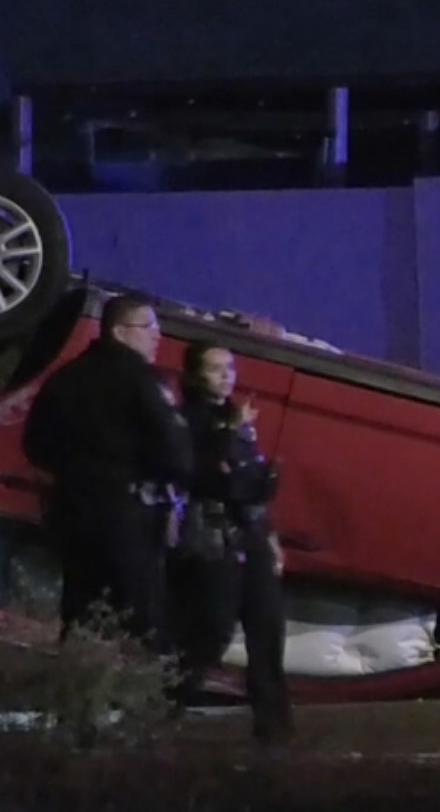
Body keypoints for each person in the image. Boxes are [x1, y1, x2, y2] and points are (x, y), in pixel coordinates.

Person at [20, 293, 194, 652]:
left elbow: (35, 443)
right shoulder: (142, 381)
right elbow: (174, 451)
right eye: (148, 328)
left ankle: (76, 694)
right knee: (139, 620)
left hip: (74, 512)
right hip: (128, 517)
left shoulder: (66, 377)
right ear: (119, 331)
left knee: (81, 614)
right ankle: (131, 701)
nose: (157, 336)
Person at [168, 342, 293, 745]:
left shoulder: (236, 418)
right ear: (195, 375)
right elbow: (205, 476)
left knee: (267, 628)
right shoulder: (188, 419)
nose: (226, 376)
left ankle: (274, 732)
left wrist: (269, 537)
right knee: (210, 631)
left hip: (249, 536)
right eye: (215, 369)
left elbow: (250, 484)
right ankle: (165, 709)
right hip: (212, 539)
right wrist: (231, 434)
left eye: (230, 368)